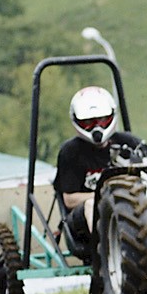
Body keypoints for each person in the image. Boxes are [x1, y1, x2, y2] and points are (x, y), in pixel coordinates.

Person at [55, 86, 121, 258]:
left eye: (101, 121)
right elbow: (69, 200)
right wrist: (105, 195)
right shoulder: (71, 152)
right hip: (82, 223)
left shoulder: (127, 143)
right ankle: (108, 257)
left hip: (127, 211)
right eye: (88, 123)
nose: (96, 128)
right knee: (93, 205)